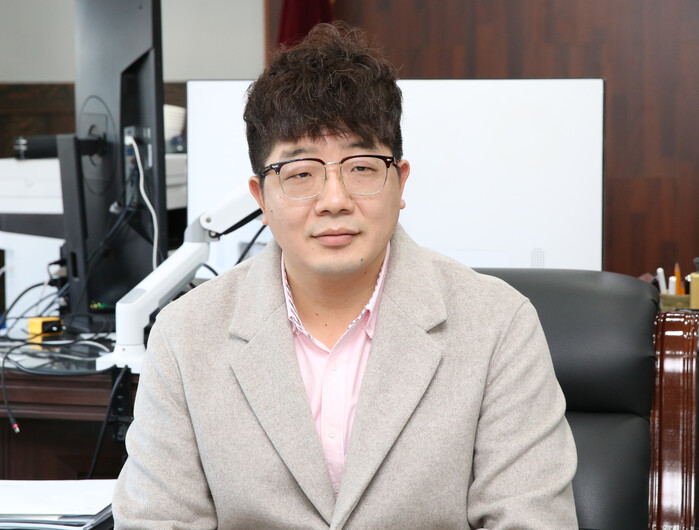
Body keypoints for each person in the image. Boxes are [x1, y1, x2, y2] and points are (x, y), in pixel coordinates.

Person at [112, 22, 578, 529]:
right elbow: (157, 519)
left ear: (399, 183)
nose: (334, 201)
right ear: (260, 198)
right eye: (300, 174)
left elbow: (530, 519)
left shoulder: (498, 324)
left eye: (361, 168)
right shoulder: (185, 335)